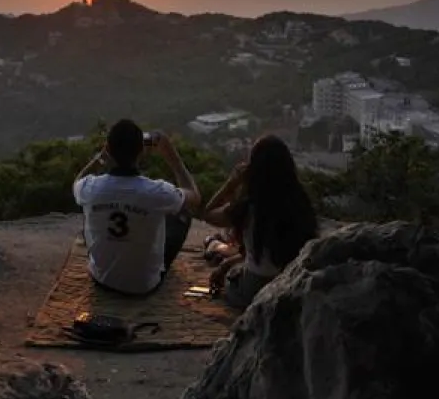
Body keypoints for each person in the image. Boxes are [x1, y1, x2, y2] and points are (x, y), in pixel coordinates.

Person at [72, 119, 203, 295]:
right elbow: (194, 198)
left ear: (108, 149)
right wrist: (171, 155)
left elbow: (78, 181)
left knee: (91, 210)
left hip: (102, 280)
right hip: (144, 286)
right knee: (182, 212)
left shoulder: (89, 188)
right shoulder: (156, 192)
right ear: (141, 151)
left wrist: (101, 157)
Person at [199, 134, 319, 309]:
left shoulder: (248, 206)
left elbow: (208, 214)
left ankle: (214, 245)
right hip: (293, 284)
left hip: (255, 289)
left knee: (232, 279)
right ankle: (217, 247)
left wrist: (232, 183)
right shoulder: (301, 203)